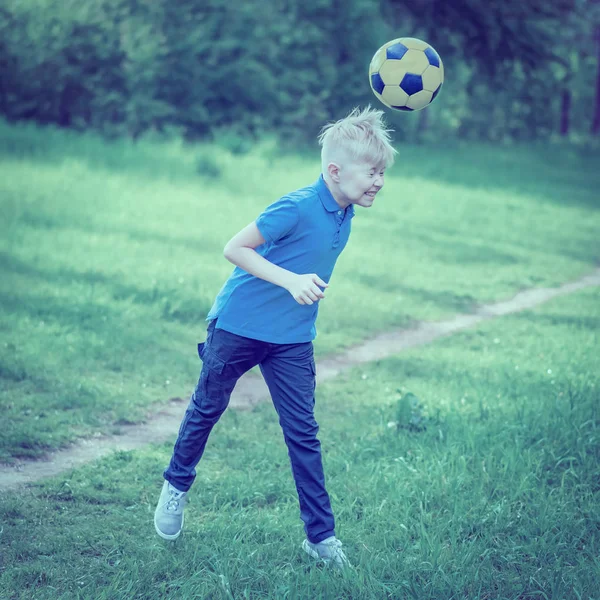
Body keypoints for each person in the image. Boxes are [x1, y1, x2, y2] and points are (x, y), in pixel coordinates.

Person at [154, 106, 396, 569]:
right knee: (207, 409)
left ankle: (321, 537)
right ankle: (175, 486)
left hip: (291, 339)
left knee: (303, 433)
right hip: (237, 327)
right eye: (372, 172)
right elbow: (234, 248)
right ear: (334, 170)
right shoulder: (298, 204)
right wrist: (290, 280)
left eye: (382, 172)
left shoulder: (346, 211)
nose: (378, 181)